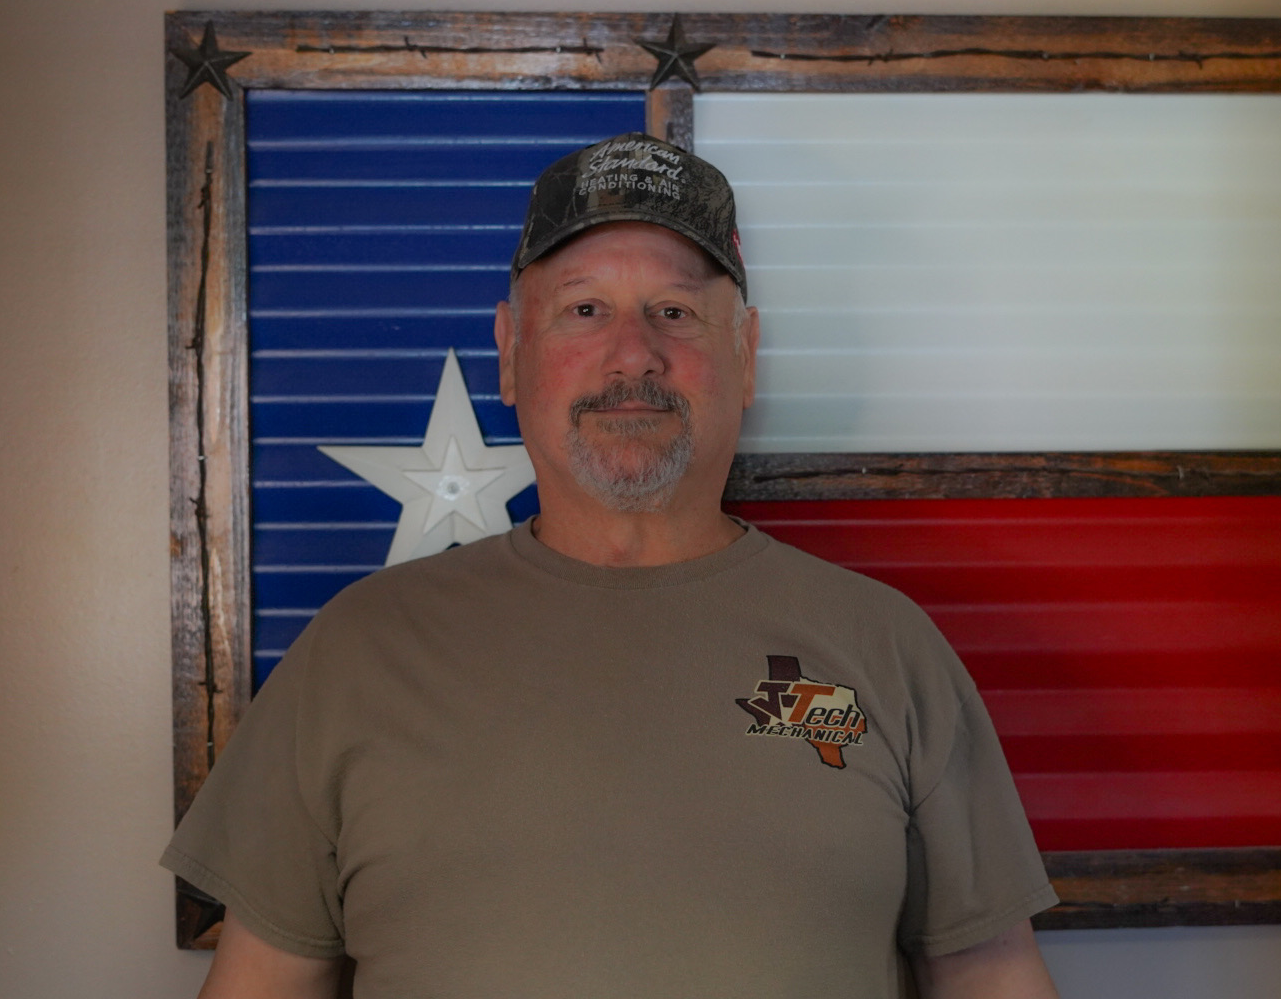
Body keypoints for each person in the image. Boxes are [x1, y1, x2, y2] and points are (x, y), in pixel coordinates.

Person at [163, 132, 1062, 998]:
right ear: (510, 353)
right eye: (585, 310)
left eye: (675, 311)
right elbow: (267, 984)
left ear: (745, 355)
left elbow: (988, 974)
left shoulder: (887, 647)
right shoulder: (357, 652)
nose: (634, 355)